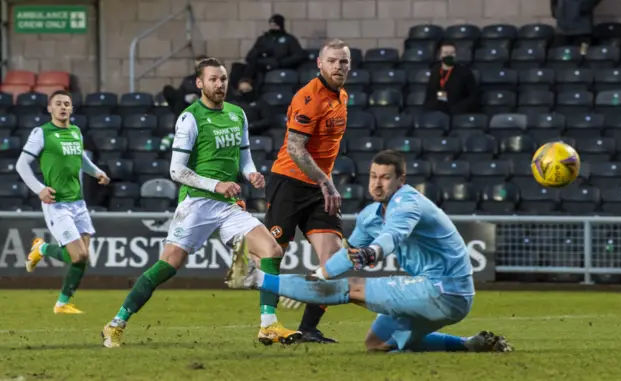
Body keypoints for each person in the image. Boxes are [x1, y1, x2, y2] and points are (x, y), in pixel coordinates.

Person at [101, 57, 300, 348]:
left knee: (270, 249)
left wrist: (251, 173)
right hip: (196, 204)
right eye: (213, 79)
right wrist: (216, 184)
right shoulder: (190, 117)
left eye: (222, 79)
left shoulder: (237, 114)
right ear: (200, 83)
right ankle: (116, 323)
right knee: (169, 265)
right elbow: (176, 170)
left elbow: (244, 156)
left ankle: (268, 326)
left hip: (227, 205)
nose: (219, 84)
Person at [229, 150, 513, 353]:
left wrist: (371, 253)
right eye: (373, 176)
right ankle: (468, 344)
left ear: (400, 180)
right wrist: (316, 277)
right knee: (375, 343)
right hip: (435, 295)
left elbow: (392, 237)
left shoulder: (408, 203)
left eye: (386, 178)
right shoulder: (370, 215)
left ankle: (254, 279)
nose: (377, 184)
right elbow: (348, 253)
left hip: (444, 289)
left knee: (351, 289)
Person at [226, 39, 350, 344]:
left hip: (320, 187)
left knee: (334, 260)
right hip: (290, 183)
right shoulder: (309, 98)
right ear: (320, 64)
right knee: (273, 254)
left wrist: (323, 182)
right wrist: (326, 181)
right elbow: (295, 148)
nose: (338, 66)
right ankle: (267, 321)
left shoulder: (342, 95)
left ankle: (308, 328)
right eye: (332, 61)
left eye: (343, 62)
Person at [15, 90, 110, 314]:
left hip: (78, 203)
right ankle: (43, 248)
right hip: (56, 203)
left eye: (67, 103)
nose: (63, 107)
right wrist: (39, 189)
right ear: (50, 108)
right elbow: (21, 164)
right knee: (80, 255)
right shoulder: (42, 133)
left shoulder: (76, 131)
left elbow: (81, 159)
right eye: (58, 104)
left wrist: (96, 173)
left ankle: (62, 303)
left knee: (81, 258)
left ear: (72, 108)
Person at [239, 14, 306, 92]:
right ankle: (245, 86)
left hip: (279, 65)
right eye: (272, 24)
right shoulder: (263, 39)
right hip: (262, 64)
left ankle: (253, 92)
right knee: (241, 68)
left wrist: (281, 63)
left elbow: (298, 55)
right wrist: (258, 53)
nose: (273, 27)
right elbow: (250, 57)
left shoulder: (289, 39)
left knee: (259, 73)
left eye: (275, 25)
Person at [424, 41, 479, 116]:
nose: (449, 56)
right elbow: (430, 93)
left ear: (455, 54)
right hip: (436, 110)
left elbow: (472, 96)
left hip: (456, 111)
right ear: (440, 55)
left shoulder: (464, 72)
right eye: (446, 53)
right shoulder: (435, 71)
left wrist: (458, 109)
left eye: (452, 53)